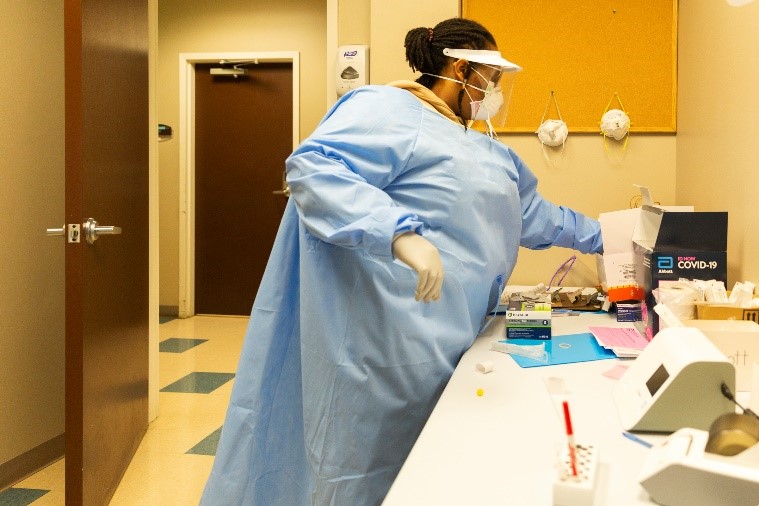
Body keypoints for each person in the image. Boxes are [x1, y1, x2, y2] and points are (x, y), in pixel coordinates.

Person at [201, 17, 603, 506]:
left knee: (426, 471)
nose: (495, 93)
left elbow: (536, 217)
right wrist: (399, 234)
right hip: (385, 340)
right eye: (491, 80)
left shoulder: (484, 148)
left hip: (452, 337)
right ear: (461, 69)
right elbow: (315, 168)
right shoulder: (386, 107)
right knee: (361, 471)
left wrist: (612, 236)